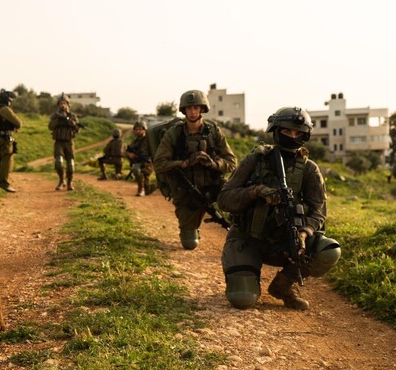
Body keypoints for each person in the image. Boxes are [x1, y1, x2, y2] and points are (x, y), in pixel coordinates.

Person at [217, 107, 341, 311]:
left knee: (329, 250)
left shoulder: (309, 169)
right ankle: (247, 278)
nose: (292, 137)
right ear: (275, 131)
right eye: (287, 132)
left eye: (298, 133)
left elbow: (319, 211)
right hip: (247, 239)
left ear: (305, 136)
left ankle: (283, 287)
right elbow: (224, 199)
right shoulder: (256, 159)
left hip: (284, 243)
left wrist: (304, 233)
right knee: (242, 298)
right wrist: (257, 191)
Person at [153, 90, 237, 250]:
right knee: (190, 244)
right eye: (189, 108)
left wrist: (213, 163)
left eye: (196, 108)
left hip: (214, 186)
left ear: (202, 109)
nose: (192, 112)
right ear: (184, 110)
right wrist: (183, 163)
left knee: (239, 202)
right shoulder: (174, 134)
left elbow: (231, 162)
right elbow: (159, 164)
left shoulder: (213, 131)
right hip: (186, 191)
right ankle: (192, 226)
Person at [0, 89, 22, 192]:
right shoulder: (5, 109)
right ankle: (4, 183)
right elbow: (18, 123)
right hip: (5, 140)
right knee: (6, 161)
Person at [48, 94, 81, 191]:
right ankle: (61, 180)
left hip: (69, 142)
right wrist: (58, 119)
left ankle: (70, 182)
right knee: (58, 162)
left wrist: (72, 123)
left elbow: (78, 130)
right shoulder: (55, 116)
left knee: (70, 164)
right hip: (59, 142)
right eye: (61, 104)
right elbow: (50, 127)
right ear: (58, 105)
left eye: (65, 103)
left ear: (68, 105)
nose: (63, 105)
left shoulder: (72, 116)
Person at [125, 120, 156, 196]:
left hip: (148, 162)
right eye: (136, 129)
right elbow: (127, 150)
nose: (138, 131)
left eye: (140, 129)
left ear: (144, 129)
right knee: (137, 171)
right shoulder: (135, 141)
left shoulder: (148, 140)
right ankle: (144, 189)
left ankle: (144, 189)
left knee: (139, 172)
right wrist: (130, 154)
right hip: (139, 161)